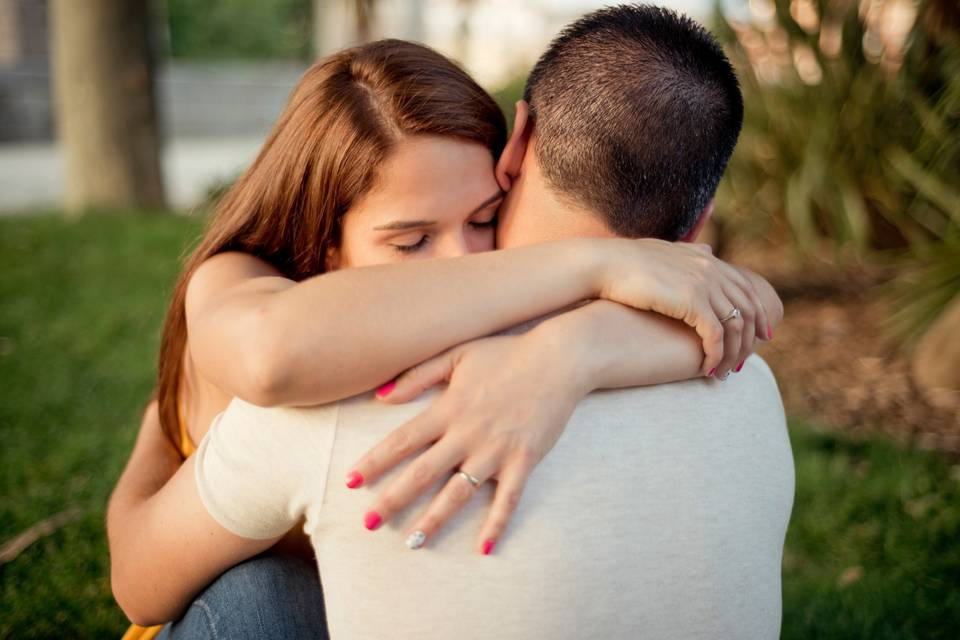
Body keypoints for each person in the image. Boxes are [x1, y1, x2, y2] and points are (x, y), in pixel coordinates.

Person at [109, 8, 785, 640]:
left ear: (513, 152)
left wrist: (576, 347)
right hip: (213, 590)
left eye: (485, 220)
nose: (465, 265)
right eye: (412, 244)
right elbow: (265, 359)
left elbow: (749, 307)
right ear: (323, 245)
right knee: (263, 593)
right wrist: (593, 263)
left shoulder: (522, 342)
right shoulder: (257, 312)